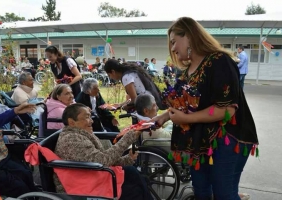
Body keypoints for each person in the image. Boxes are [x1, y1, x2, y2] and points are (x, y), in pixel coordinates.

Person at [149, 17, 258, 200]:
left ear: (190, 37)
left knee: (224, 194)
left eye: (174, 42)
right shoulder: (185, 72)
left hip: (226, 139)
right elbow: (184, 104)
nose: (173, 49)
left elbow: (226, 111)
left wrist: (186, 119)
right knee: (201, 191)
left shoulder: (219, 61)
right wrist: (165, 116)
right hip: (198, 144)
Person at [54, 103, 153, 200]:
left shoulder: (80, 134)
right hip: (83, 188)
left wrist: (128, 159)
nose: (92, 121)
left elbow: (102, 160)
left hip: (92, 176)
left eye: (90, 117)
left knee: (131, 172)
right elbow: (102, 161)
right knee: (133, 190)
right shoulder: (71, 140)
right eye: (87, 117)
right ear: (72, 122)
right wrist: (127, 139)